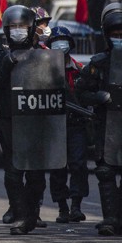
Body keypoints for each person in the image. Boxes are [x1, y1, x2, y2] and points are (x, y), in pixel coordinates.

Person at [74, 5, 122, 236]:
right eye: (114, 35)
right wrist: (97, 97)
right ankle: (109, 219)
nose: (119, 39)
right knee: (106, 172)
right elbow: (80, 91)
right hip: (106, 124)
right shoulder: (98, 63)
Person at [0, 5, 47, 235]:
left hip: (36, 120)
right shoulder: (0, 57)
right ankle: (19, 213)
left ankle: (32, 212)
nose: (18, 31)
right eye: (13, 27)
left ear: (32, 28)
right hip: (10, 119)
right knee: (14, 171)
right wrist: (4, 68)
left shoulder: (44, 55)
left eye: (22, 27)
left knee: (35, 171)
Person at [47, 26, 88, 225]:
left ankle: (76, 206)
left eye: (64, 40)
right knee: (58, 167)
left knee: (79, 165)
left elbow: (88, 95)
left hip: (76, 123)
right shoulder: (44, 70)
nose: (60, 44)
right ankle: (62, 207)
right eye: (56, 40)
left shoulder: (80, 69)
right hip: (53, 126)